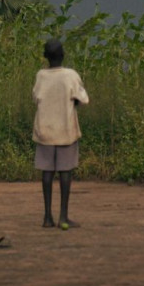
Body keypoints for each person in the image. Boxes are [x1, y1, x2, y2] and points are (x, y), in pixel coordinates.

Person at [33, 38, 89, 228]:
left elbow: (36, 97)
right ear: (63, 55)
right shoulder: (70, 75)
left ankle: (47, 216)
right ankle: (63, 216)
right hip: (66, 130)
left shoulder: (41, 76)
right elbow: (82, 98)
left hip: (45, 130)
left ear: (45, 57)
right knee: (65, 171)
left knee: (47, 172)